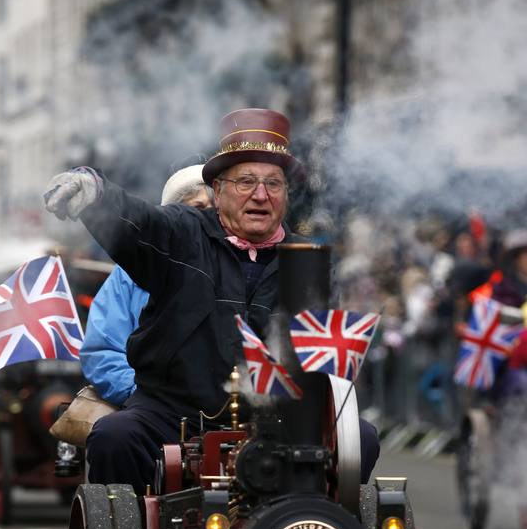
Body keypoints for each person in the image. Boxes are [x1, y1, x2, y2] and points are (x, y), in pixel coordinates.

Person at [44, 108, 380, 492]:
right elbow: (139, 223)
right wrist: (96, 193)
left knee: (361, 440)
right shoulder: (183, 232)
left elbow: (325, 361)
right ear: (217, 192)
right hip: (173, 414)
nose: (260, 195)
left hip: (278, 424)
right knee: (115, 437)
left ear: (287, 196)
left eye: (273, 184)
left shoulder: (308, 261)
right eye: (246, 182)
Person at [80, 165, 213, 406]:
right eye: (196, 209)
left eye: (214, 210)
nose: (205, 218)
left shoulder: (239, 262)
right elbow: (103, 351)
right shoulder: (127, 276)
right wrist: (145, 394)